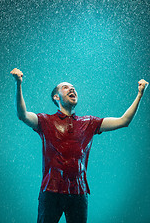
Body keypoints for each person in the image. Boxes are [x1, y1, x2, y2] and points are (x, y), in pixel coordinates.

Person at [10, 68, 148, 223]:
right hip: (51, 190)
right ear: (56, 97)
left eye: (73, 87)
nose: (72, 89)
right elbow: (22, 115)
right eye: (65, 87)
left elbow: (124, 121)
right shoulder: (46, 121)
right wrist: (18, 84)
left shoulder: (88, 123)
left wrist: (140, 94)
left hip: (78, 192)